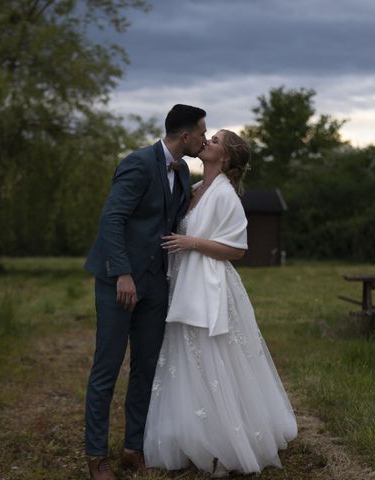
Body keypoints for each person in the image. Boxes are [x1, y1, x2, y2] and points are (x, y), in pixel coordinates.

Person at [143, 130, 298, 477]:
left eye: (215, 141)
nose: (207, 142)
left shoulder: (226, 196)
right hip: (185, 282)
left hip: (211, 285)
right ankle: (190, 435)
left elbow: (238, 250)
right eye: (209, 137)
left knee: (215, 356)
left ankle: (225, 440)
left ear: (224, 158)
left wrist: (192, 241)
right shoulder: (197, 190)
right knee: (187, 358)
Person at [83, 104, 207, 480]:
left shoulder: (183, 170)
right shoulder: (137, 163)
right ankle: (96, 456)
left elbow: (178, 213)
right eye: (203, 132)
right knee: (107, 367)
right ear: (185, 136)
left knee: (146, 368)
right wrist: (122, 273)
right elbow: (113, 218)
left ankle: (132, 448)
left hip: (156, 283)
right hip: (118, 281)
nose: (205, 138)